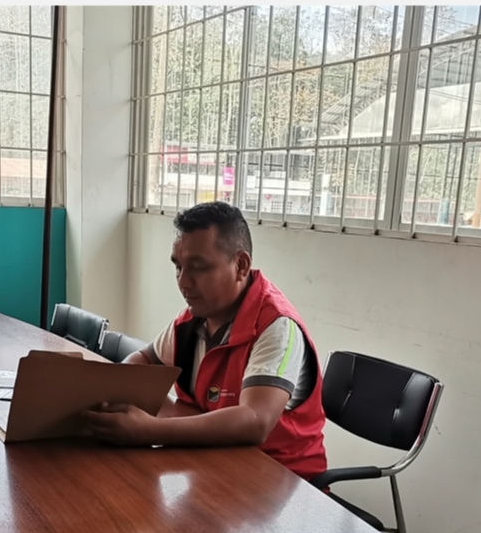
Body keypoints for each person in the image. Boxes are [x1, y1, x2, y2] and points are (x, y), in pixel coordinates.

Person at [82, 201, 328, 481]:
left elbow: (255, 420)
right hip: (214, 464)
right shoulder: (194, 318)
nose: (183, 282)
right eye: (178, 267)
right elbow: (145, 360)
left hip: (283, 482)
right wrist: (107, 393)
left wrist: (147, 430)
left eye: (198, 267)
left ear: (240, 266)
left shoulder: (277, 327)